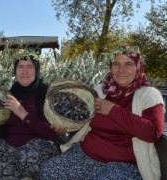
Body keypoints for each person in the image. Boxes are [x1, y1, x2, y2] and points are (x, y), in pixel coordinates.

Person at [39, 45, 166, 180]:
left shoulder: (148, 94)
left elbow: (153, 132)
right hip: (86, 155)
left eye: (128, 64)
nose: (121, 70)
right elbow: (81, 119)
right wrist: (65, 128)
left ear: (138, 67)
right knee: (48, 172)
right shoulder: (101, 90)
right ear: (110, 67)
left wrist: (113, 110)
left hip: (123, 165)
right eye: (116, 64)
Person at [0, 55, 67, 179]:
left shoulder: (46, 94)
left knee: (27, 159)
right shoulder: (10, 94)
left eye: (29, 67)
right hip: (11, 148)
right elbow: (3, 126)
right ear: (15, 71)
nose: (24, 71)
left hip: (38, 149)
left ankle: (14, 174)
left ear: (36, 70)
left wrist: (22, 112)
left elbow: (51, 133)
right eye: (20, 67)